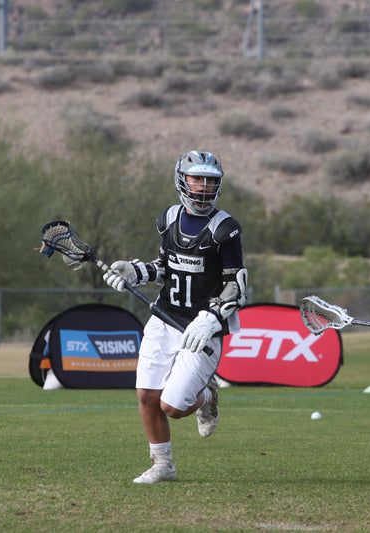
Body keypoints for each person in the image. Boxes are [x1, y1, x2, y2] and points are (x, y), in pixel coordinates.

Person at [102, 150, 248, 484]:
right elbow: (165, 267)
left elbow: (235, 287)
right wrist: (135, 272)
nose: (205, 186)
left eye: (211, 180)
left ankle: (208, 394)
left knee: (173, 406)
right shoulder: (168, 218)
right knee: (146, 395)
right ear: (183, 180)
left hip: (202, 328)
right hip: (165, 317)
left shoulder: (225, 228)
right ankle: (163, 464)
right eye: (198, 178)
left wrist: (211, 318)